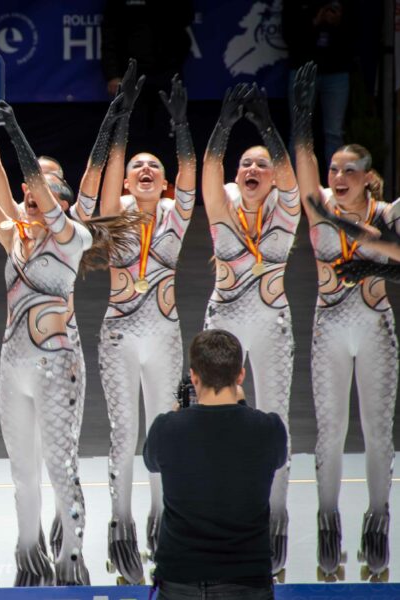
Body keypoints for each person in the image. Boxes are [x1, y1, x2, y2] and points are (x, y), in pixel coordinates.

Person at [0, 99, 143, 586]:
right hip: (14, 368)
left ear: (58, 205)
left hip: (56, 365)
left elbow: (35, 182)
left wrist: (15, 127)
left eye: (38, 199)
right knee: (22, 476)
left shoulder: (72, 238)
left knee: (61, 466)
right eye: (28, 201)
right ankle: (28, 560)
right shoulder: (17, 238)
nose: (28, 203)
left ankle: (72, 562)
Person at [291, 62, 398, 582]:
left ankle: (378, 522)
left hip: (375, 327)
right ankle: (328, 522)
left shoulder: (389, 212)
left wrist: (369, 250)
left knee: (378, 434)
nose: (338, 178)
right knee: (329, 434)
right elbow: (304, 167)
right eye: (334, 170)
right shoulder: (319, 207)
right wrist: (301, 119)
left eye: (348, 170)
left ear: (368, 177)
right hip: (330, 327)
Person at [96, 66, 196, 584]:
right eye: (137, 166)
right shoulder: (118, 215)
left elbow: (191, 176)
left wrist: (181, 128)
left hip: (163, 333)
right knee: (123, 433)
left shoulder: (177, 216)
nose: (144, 170)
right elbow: (109, 185)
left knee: (164, 431)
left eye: (153, 166)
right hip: (117, 335)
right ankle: (121, 528)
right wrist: (123, 119)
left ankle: (165, 525)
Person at [201, 82, 300, 577]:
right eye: (246, 165)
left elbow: (290, 178)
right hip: (223, 328)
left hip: (272, 326)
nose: (254, 170)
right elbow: (210, 173)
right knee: (214, 423)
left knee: (274, 421)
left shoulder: (286, 210)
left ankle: (275, 519)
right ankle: (214, 517)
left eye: (261, 164)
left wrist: (265, 125)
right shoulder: (224, 209)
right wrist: (222, 126)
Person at [143, 329, 287, 600]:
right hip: (247, 581)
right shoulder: (269, 429)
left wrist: (180, 408)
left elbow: (151, 460)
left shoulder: (167, 429)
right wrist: (242, 402)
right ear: (240, 375)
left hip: (180, 581)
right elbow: (276, 456)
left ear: (194, 377)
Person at [101, 0, 194, 157]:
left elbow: (186, 17)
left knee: (168, 131)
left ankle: (168, 177)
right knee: (130, 131)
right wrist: (113, 74)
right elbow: (110, 35)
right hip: (131, 75)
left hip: (167, 72)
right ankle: (130, 175)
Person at [282, 0, 358, 162]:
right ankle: (297, 186)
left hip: (336, 70)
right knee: (299, 132)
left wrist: (338, 23)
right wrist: (315, 20)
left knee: (334, 133)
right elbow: (288, 34)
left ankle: (338, 184)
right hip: (303, 70)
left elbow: (357, 32)